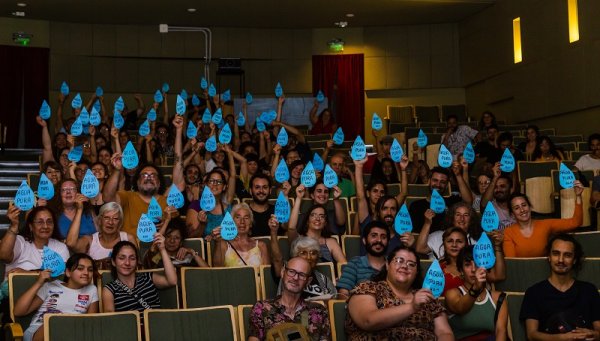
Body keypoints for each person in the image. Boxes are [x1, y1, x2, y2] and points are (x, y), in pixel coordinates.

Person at [346, 245, 454, 340]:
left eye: (411, 264)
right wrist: (412, 307)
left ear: (416, 272)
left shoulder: (426, 296)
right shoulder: (368, 288)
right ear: (387, 265)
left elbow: (445, 333)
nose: (405, 266)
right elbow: (367, 321)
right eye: (399, 260)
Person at [102, 116, 186, 236]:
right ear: (136, 182)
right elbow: (107, 197)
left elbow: (178, 164)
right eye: (144, 175)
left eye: (153, 175)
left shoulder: (167, 201)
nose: (149, 177)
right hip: (129, 252)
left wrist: (178, 131)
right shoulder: (127, 197)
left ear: (159, 182)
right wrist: (116, 171)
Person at [520, 234, 600, 340]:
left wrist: (594, 335)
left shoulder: (589, 290)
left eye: (567, 255)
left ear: (575, 260)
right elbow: (531, 335)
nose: (561, 260)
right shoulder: (534, 292)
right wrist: (563, 338)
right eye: (556, 254)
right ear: (549, 256)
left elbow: (598, 330)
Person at [14, 254, 99, 341]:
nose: (86, 273)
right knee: (55, 322)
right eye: (80, 268)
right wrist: (39, 283)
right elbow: (18, 311)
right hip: (40, 331)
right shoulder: (50, 286)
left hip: (72, 332)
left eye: (90, 270)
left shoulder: (91, 290)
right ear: (68, 272)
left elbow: (90, 322)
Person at [248, 256, 331, 341]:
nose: (295, 278)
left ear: (308, 281)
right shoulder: (262, 308)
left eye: (302, 275)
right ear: (283, 272)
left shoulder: (319, 311)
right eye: (291, 272)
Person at [102, 239, 177, 326]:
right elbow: (110, 319)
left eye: (132, 258)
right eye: (122, 258)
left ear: (137, 262)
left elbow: (172, 281)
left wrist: (163, 249)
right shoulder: (109, 289)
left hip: (158, 327)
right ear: (113, 262)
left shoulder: (148, 277)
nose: (127, 263)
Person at [503, 183, 584, 257]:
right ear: (512, 214)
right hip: (521, 271)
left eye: (524, 205)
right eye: (516, 208)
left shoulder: (545, 224)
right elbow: (512, 262)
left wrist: (578, 196)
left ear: (530, 207)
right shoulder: (508, 232)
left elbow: (575, 222)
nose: (522, 210)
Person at [446, 246, 508, 341]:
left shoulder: (498, 298)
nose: (474, 270)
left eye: (478, 264)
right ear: (461, 271)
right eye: (467, 265)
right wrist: (475, 288)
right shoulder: (452, 294)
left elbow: (501, 331)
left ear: (486, 269)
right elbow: (460, 308)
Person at [0, 205, 70, 280]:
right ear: (31, 226)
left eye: (49, 222)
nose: (45, 226)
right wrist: (13, 226)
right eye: (40, 222)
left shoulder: (60, 247)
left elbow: (61, 276)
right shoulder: (20, 242)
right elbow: (3, 256)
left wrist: (27, 273)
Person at [212, 203, 282, 272]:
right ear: (232, 222)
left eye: (246, 218)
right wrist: (217, 243)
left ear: (251, 223)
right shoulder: (223, 245)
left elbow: (266, 275)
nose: (242, 222)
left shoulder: (261, 246)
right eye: (238, 217)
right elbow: (217, 270)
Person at [66, 202, 137, 270]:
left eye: (115, 219)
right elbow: (70, 243)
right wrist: (79, 210)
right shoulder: (91, 240)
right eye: (106, 217)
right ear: (100, 220)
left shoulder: (128, 239)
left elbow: (137, 265)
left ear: (120, 222)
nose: (110, 222)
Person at [409, 165, 473, 233]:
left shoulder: (452, 202)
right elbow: (413, 233)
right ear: (429, 181)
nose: (438, 184)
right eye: (435, 180)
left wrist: (458, 175)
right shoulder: (416, 206)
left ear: (446, 185)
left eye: (442, 182)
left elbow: (468, 201)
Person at [337, 221, 389, 298]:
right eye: (374, 236)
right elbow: (343, 294)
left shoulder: (394, 263)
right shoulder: (355, 263)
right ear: (364, 240)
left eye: (383, 237)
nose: (379, 240)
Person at [143, 220, 208, 268]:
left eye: (176, 238)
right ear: (163, 238)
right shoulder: (157, 257)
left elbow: (209, 272)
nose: (172, 241)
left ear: (181, 242)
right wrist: (167, 220)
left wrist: (193, 252)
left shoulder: (188, 257)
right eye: (168, 236)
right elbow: (148, 266)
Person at [480, 164, 516, 229]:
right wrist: (495, 177)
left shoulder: (518, 207)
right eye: (495, 187)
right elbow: (483, 204)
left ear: (511, 190)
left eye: (502, 186)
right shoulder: (490, 207)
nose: (498, 190)